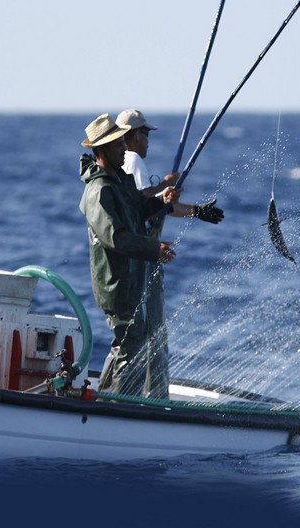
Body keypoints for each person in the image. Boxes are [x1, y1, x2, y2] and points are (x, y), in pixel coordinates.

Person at [114, 109, 224, 399]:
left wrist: (197, 211)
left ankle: (123, 393)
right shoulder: (133, 160)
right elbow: (144, 206)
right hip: (144, 260)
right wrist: (163, 189)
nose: (148, 141)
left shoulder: (120, 165)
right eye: (146, 134)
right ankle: (152, 397)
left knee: (132, 337)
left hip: (134, 259)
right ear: (134, 135)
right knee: (153, 335)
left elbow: (155, 207)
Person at [78, 113, 179, 399]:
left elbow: (139, 207)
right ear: (101, 151)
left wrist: (162, 200)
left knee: (132, 343)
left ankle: (112, 398)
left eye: (123, 142)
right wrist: (154, 249)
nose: (124, 148)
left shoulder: (118, 181)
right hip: (117, 283)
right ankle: (119, 405)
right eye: (117, 145)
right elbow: (117, 238)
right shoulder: (98, 191)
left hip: (132, 278)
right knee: (130, 344)